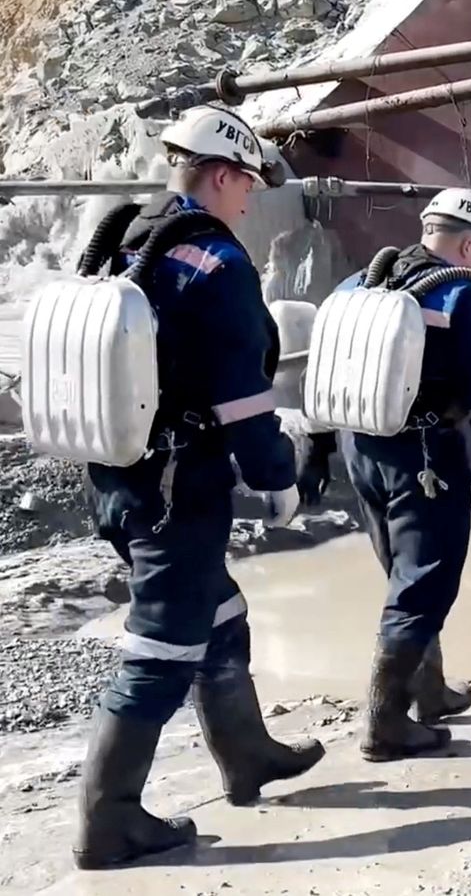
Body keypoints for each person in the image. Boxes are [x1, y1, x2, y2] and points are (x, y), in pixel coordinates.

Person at [75, 105, 323, 870]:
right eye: (247, 184)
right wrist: (279, 481)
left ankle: (247, 755)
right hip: (178, 488)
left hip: (117, 474)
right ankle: (109, 820)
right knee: (158, 648)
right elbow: (245, 401)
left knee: (220, 612)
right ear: (220, 174)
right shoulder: (217, 263)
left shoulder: (126, 236)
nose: (251, 200)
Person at [327, 187, 471, 762]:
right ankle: (385, 724)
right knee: (425, 581)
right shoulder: (462, 290)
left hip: (360, 446)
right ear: (468, 242)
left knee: (403, 571)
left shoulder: (358, 283)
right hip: (422, 454)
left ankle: (429, 690)